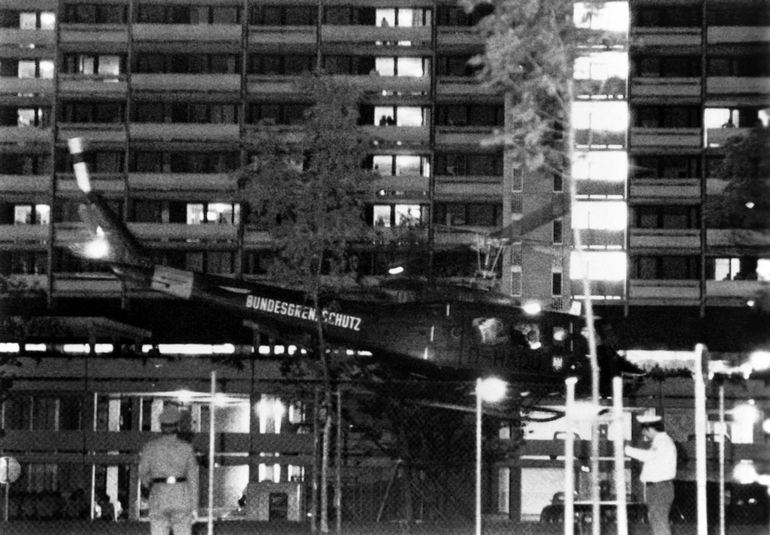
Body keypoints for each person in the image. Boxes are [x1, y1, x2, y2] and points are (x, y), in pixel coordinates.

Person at [138, 406, 199, 535]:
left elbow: (143, 475)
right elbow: (193, 480)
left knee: (158, 530)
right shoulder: (186, 449)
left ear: (161, 427)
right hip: (181, 495)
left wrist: (152, 486)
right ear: (177, 426)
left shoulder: (150, 448)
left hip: (159, 494)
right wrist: (194, 507)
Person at [625, 414, 677, 535]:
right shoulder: (661, 441)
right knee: (657, 521)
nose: (645, 435)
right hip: (659, 488)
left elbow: (648, 456)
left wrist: (627, 450)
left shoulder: (662, 442)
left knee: (659, 523)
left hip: (659, 488)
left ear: (650, 429)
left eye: (644, 431)